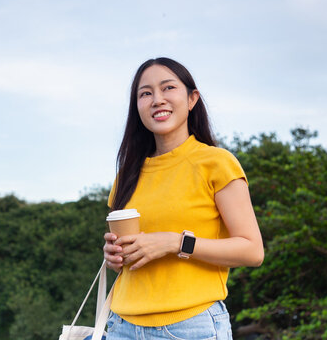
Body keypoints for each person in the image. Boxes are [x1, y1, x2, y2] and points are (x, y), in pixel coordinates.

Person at [103, 57, 264, 339]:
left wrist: (176, 242)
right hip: (121, 326)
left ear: (192, 99)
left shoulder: (217, 163)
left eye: (168, 88)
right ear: (137, 106)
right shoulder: (127, 174)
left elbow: (252, 251)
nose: (157, 100)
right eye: (146, 93)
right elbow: (128, 257)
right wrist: (113, 256)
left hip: (191, 327)